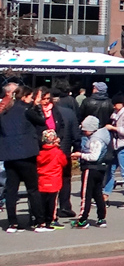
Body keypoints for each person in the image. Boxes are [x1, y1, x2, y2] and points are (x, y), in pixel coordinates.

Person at [0, 85, 45, 232]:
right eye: (31, 97)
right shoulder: (27, 111)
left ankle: (12, 223)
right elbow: (42, 121)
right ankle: (39, 222)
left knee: (11, 189)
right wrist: (37, 106)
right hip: (26, 153)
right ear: (25, 97)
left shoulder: (5, 111)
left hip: (8, 154)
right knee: (33, 188)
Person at [37, 86, 78, 218]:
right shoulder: (69, 113)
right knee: (65, 179)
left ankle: (47, 208)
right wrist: (76, 148)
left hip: (45, 152)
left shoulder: (41, 112)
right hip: (64, 150)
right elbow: (75, 134)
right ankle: (65, 206)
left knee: (45, 179)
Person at [73, 115, 110, 228]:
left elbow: (94, 156)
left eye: (85, 130)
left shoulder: (95, 140)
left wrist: (80, 155)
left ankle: (82, 219)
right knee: (98, 193)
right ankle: (101, 218)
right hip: (100, 169)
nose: (84, 132)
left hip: (91, 168)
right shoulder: (103, 134)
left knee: (86, 194)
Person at [35, 129, 67, 231]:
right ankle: (51, 221)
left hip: (42, 179)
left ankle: (41, 220)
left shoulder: (39, 153)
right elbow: (64, 162)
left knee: (42, 201)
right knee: (52, 202)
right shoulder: (57, 152)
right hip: (54, 180)